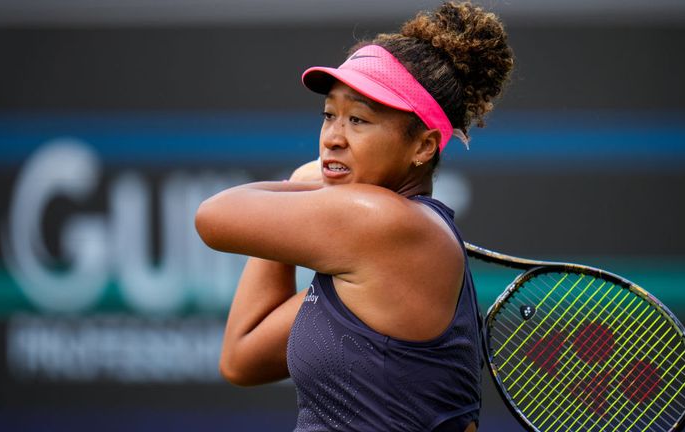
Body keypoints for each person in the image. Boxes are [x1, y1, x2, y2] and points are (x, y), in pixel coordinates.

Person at [195, 2, 514, 431]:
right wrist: (301, 197)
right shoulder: (373, 247)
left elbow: (213, 217)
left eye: (358, 119)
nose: (333, 138)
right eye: (330, 115)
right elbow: (243, 357)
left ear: (423, 146)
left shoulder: (384, 223)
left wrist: (300, 187)